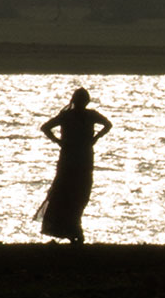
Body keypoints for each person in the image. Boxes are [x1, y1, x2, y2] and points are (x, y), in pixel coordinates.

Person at [34, 87, 112, 244]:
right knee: (69, 192)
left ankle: (73, 227)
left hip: (78, 158)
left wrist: (94, 138)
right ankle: (72, 229)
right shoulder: (75, 116)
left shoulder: (84, 115)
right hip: (74, 158)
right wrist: (59, 141)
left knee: (78, 193)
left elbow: (108, 125)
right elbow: (45, 127)